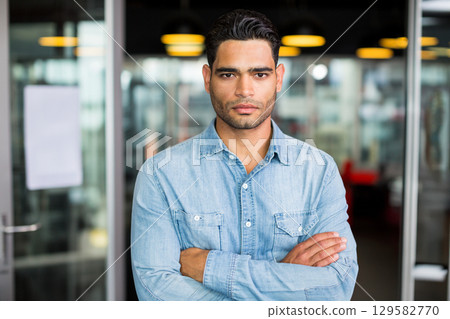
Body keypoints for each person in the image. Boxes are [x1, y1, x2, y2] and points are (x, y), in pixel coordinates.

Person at [131, 9, 358, 301]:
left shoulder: (319, 171)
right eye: (228, 74)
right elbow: (156, 291)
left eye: (259, 74)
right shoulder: (160, 175)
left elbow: (336, 288)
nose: (244, 90)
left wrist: (210, 268)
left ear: (278, 78)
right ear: (207, 78)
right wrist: (283, 276)